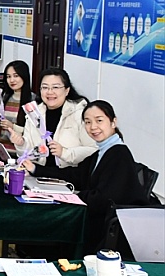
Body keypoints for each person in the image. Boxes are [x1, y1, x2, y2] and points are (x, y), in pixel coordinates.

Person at [21, 100, 149, 254]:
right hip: (100, 222)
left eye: (99, 120)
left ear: (113, 122)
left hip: (112, 233)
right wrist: (36, 169)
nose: (93, 127)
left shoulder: (119, 154)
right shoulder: (101, 152)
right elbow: (74, 175)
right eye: (87, 122)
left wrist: (74, 195)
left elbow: (104, 199)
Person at [9, 67, 97, 168]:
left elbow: (93, 150)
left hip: (69, 174)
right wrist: (21, 144)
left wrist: (64, 153)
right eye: (45, 87)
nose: (50, 92)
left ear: (67, 90)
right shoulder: (34, 113)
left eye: (55, 87)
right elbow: (28, 154)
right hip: (38, 172)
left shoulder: (80, 113)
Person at [0, 60, 34, 144]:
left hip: (21, 149)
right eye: (8, 76)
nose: (11, 80)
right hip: (2, 147)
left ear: (24, 76)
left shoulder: (33, 100)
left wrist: (12, 126)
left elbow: (35, 132)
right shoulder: (4, 97)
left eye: (16, 76)